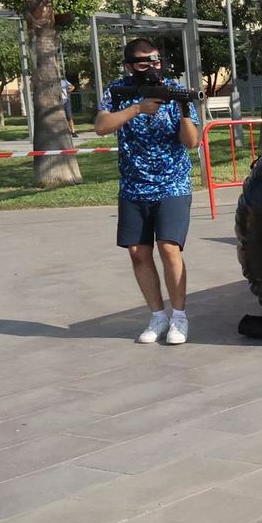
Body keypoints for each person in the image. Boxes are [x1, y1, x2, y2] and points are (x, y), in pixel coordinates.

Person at [95, 38, 200, 344]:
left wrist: (182, 108)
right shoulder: (117, 91)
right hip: (133, 185)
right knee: (138, 253)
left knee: (169, 248)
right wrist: (138, 108)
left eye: (155, 61)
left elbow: (191, 142)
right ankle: (158, 316)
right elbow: (102, 126)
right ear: (129, 67)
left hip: (173, 183)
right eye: (143, 63)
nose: (152, 67)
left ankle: (179, 318)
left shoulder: (174, 89)